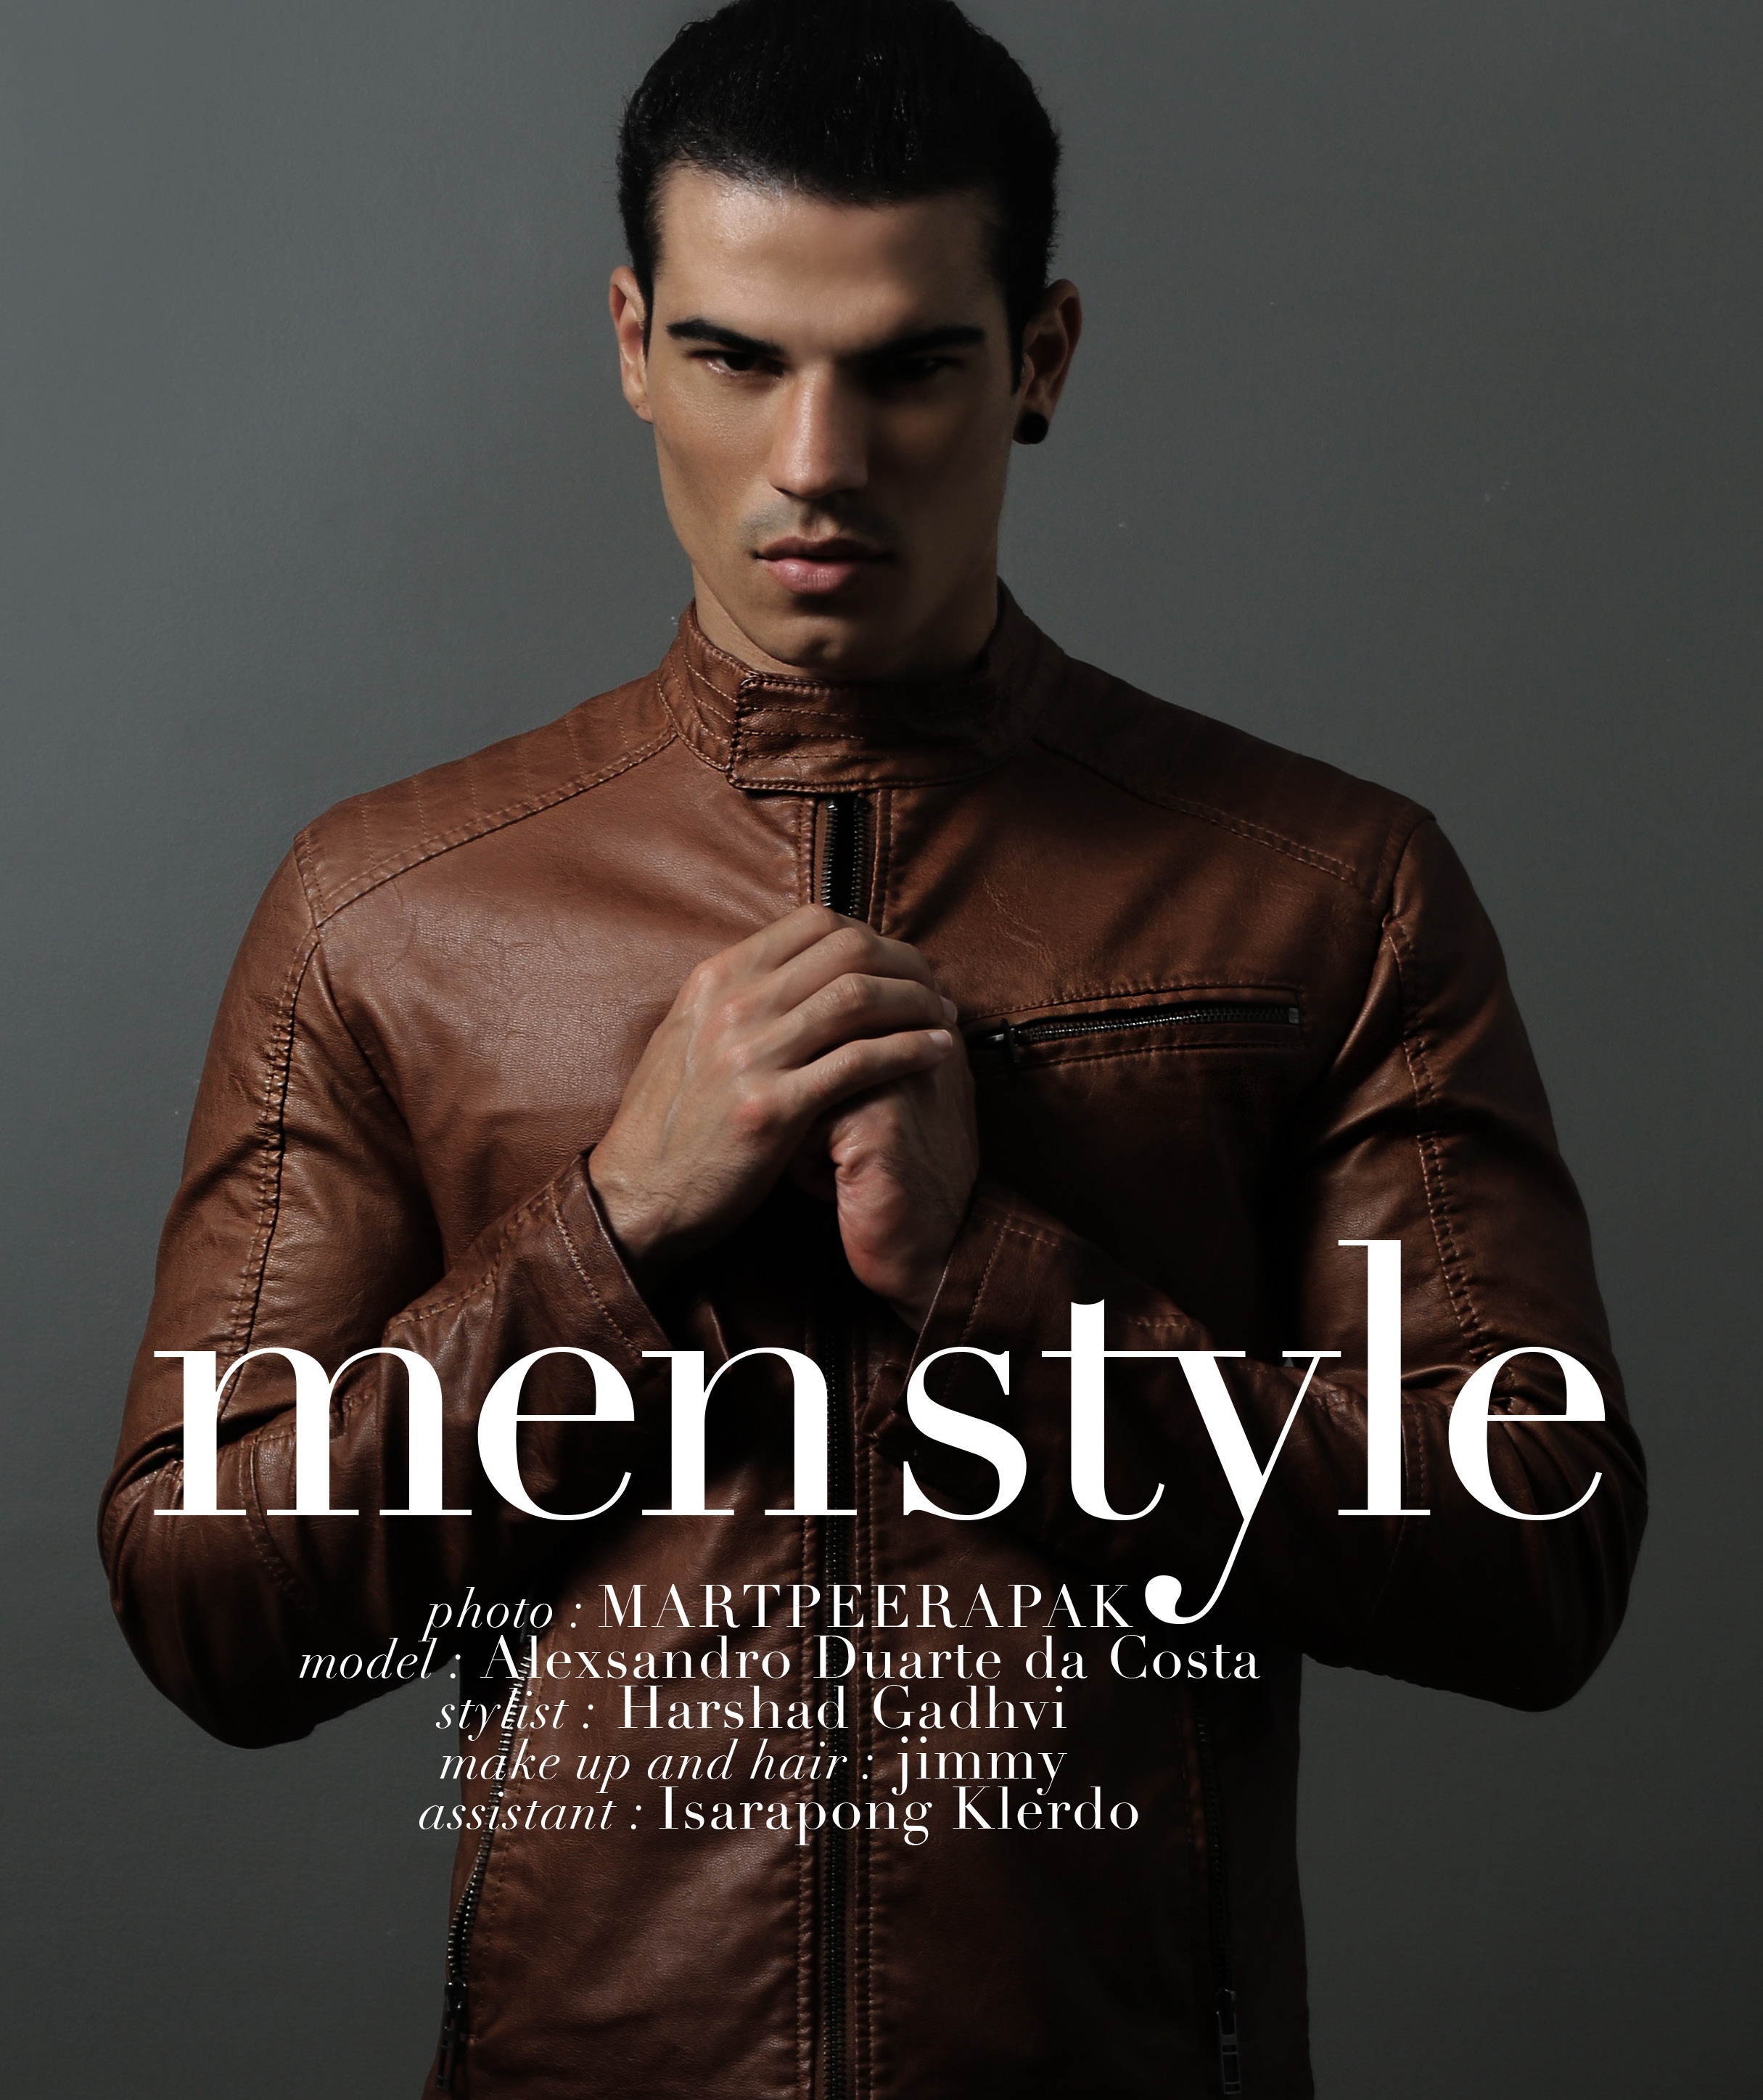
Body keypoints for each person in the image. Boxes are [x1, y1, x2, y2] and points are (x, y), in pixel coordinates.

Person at [99, 2, 1647, 2093]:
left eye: (908, 366)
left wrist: (994, 1284)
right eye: (738, 359)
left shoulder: (1325, 893)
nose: (817, 462)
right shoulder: (392, 911)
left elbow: (1535, 1556)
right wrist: (612, 1234)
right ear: (633, 344)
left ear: (1041, 359)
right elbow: (205, 1599)